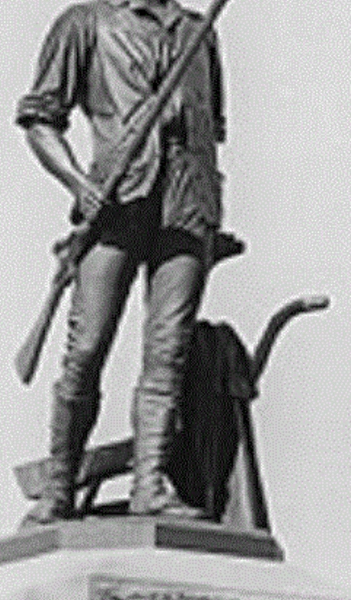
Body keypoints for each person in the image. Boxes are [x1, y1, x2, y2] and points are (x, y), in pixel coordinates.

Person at [15, 0, 226, 526]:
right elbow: (40, 120)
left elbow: (212, 128)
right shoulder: (84, 24)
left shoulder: (201, 33)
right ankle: (59, 486)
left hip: (188, 205)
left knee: (168, 352)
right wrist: (77, 184)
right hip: (116, 204)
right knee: (85, 350)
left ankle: (150, 486)